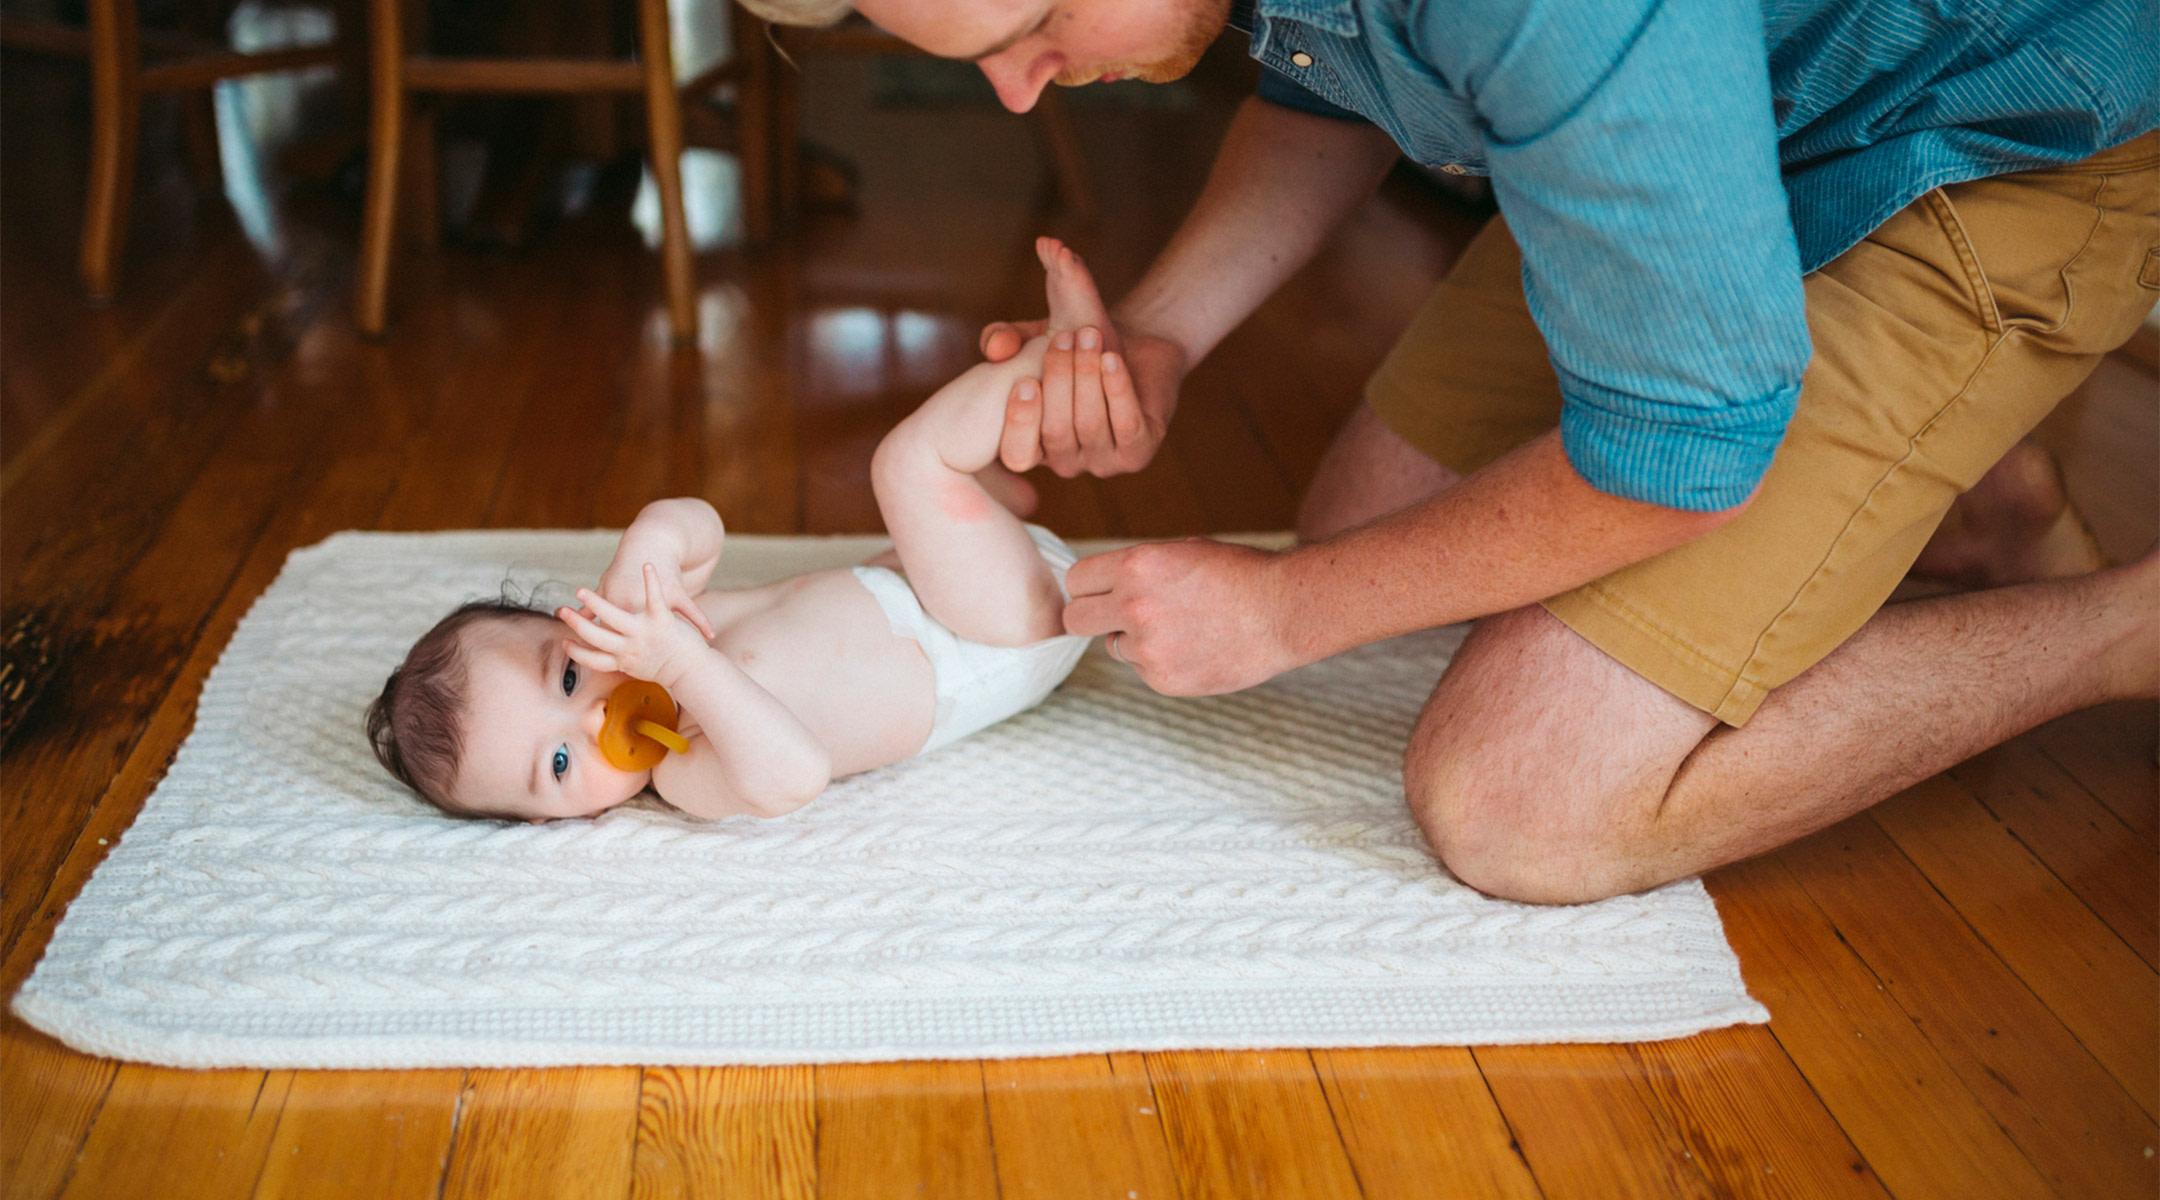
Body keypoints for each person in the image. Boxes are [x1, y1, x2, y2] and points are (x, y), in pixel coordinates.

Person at [741, 0, 2160, 901]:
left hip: (1986, 144)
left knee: (1520, 805)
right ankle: (1972, 493)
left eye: (1032, 24)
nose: (1016, 91)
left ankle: (2121, 628)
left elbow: (1683, 446)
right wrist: (1165, 332)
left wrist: (1282, 610)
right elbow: (1325, 81)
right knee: (1376, 531)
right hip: (1748, 111)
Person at [365, 241, 1112, 822]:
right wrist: (686, 665)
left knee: (913, 499)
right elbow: (796, 775)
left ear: (568, 619)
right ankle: (1066, 359)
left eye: (566, 675)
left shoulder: (648, 626)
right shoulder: (689, 768)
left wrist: (651, 543)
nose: (594, 717)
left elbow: (705, 531)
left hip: (938, 579)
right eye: (560, 765)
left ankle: (996, 489)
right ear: (552, 820)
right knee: (907, 466)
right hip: (998, 637)